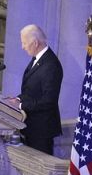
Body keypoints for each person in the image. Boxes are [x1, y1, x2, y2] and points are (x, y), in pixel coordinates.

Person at [6, 24, 63, 154]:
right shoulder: (39, 59)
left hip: (41, 131)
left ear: (35, 43)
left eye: (24, 43)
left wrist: (20, 104)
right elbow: (31, 91)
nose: (23, 47)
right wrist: (18, 98)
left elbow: (49, 101)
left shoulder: (51, 65)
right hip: (31, 127)